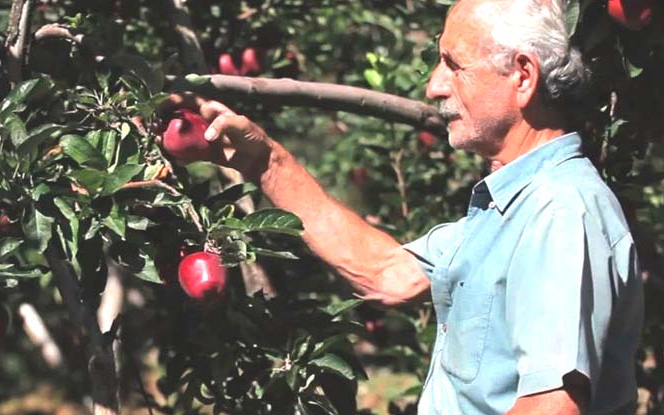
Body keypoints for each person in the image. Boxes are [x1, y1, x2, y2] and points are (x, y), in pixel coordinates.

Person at [162, 0, 643, 413]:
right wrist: (265, 161)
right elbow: (388, 272)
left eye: (453, 65)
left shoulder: (559, 211)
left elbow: (551, 404)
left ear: (522, 76)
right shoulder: (510, 207)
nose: (433, 86)